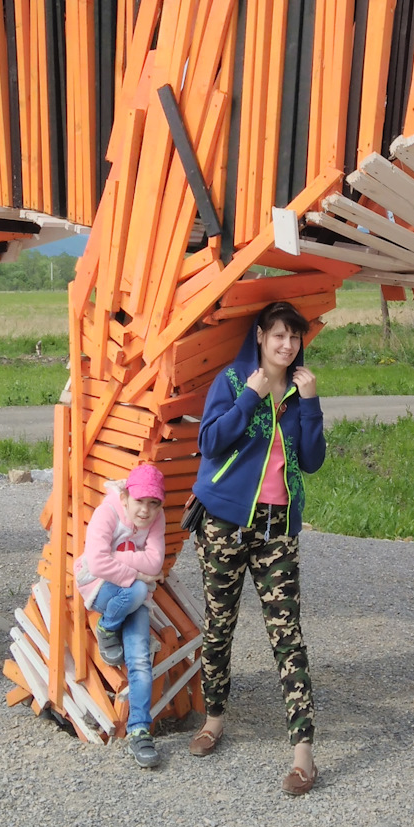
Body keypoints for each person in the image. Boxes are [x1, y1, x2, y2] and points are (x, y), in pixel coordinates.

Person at [187, 299, 324, 796]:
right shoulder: (231, 382)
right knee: (218, 627)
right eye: (278, 336)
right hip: (224, 523)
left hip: (276, 531)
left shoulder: (299, 389)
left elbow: (311, 461)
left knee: (288, 635)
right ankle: (214, 720)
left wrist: (310, 404)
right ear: (261, 337)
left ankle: (303, 754)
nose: (287, 345)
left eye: (294, 337)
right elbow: (210, 442)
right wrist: (249, 396)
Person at [77, 462, 167, 768]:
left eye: (154, 504)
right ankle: (107, 626)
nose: (146, 511)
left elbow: (155, 563)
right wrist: (139, 574)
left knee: (140, 658)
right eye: (140, 502)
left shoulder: (156, 518)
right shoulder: (108, 512)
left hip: (133, 594)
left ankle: (139, 729)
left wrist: (128, 566)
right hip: (99, 587)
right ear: (126, 497)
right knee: (140, 591)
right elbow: (97, 566)